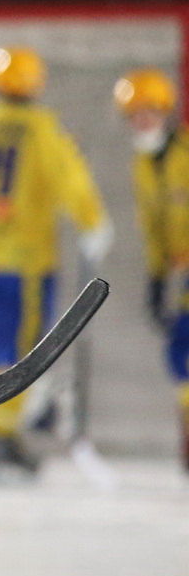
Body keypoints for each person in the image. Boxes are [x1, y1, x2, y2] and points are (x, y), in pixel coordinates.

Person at [0, 46, 110, 475]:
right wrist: (92, 221)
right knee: (21, 349)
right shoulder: (40, 127)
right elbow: (68, 177)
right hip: (23, 258)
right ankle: (0, 433)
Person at [115, 68, 189, 469]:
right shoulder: (143, 165)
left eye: (149, 113)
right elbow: (154, 228)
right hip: (178, 274)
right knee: (179, 353)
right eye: (135, 115)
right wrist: (157, 279)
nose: (142, 122)